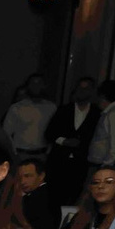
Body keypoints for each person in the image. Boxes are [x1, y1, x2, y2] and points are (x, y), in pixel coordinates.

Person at [44, 76, 100, 206]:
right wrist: (64, 141)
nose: (82, 91)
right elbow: (49, 133)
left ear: (92, 91)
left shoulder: (97, 113)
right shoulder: (64, 110)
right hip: (59, 161)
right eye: (80, 88)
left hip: (81, 162)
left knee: (76, 195)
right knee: (54, 196)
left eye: (86, 89)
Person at [2, 72, 57, 161]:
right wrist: (13, 153)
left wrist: (48, 151)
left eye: (39, 83)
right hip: (21, 154)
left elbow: (54, 131)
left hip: (42, 154)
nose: (36, 86)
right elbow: (7, 132)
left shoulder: (51, 107)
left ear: (44, 86)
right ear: (28, 86)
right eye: (33, 83)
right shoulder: (17, 107)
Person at [88, 79, 115, 171]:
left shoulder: (114, 114)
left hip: (107, 166)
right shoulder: (111, 113)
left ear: (102, 96)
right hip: (105, 165)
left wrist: (106, 165)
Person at [16, 156, 61, 229]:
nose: (22, 181)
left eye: (28, 176)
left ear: (41, 176)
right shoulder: (35, 195)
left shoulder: (43, 196)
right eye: (20, 177)